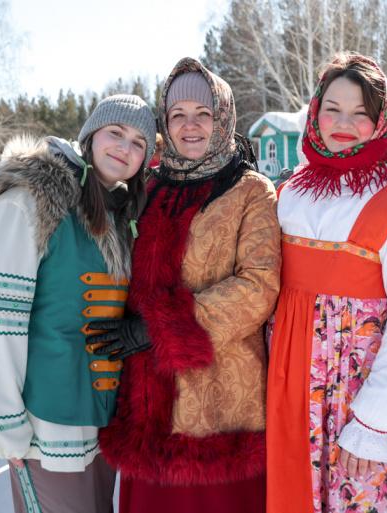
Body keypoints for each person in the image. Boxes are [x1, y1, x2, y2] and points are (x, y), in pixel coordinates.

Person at [266, 53, 387, 513]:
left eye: (360, 112)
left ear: (383, 119)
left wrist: (374, 423)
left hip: (366, 408)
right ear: (315, 112)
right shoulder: (291, 195)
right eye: (332, 108)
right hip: (296, 401)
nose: (343, 123)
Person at [95, 58, 281, 513]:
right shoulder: (148, 186)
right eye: (178, 114)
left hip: (219, 406)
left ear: (223, 117)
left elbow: (258, 285)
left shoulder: (251, 191)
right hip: (144, 402)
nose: (190, 125)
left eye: (203, 113)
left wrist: (159, 328)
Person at [0, 94, 157, 513]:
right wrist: (1, 421)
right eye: (116, 132)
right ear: (90, 135)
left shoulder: (118, 210)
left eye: (139, 142)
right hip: (45, 426)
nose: (125, 148)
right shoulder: (29, 199)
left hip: (99, 421)